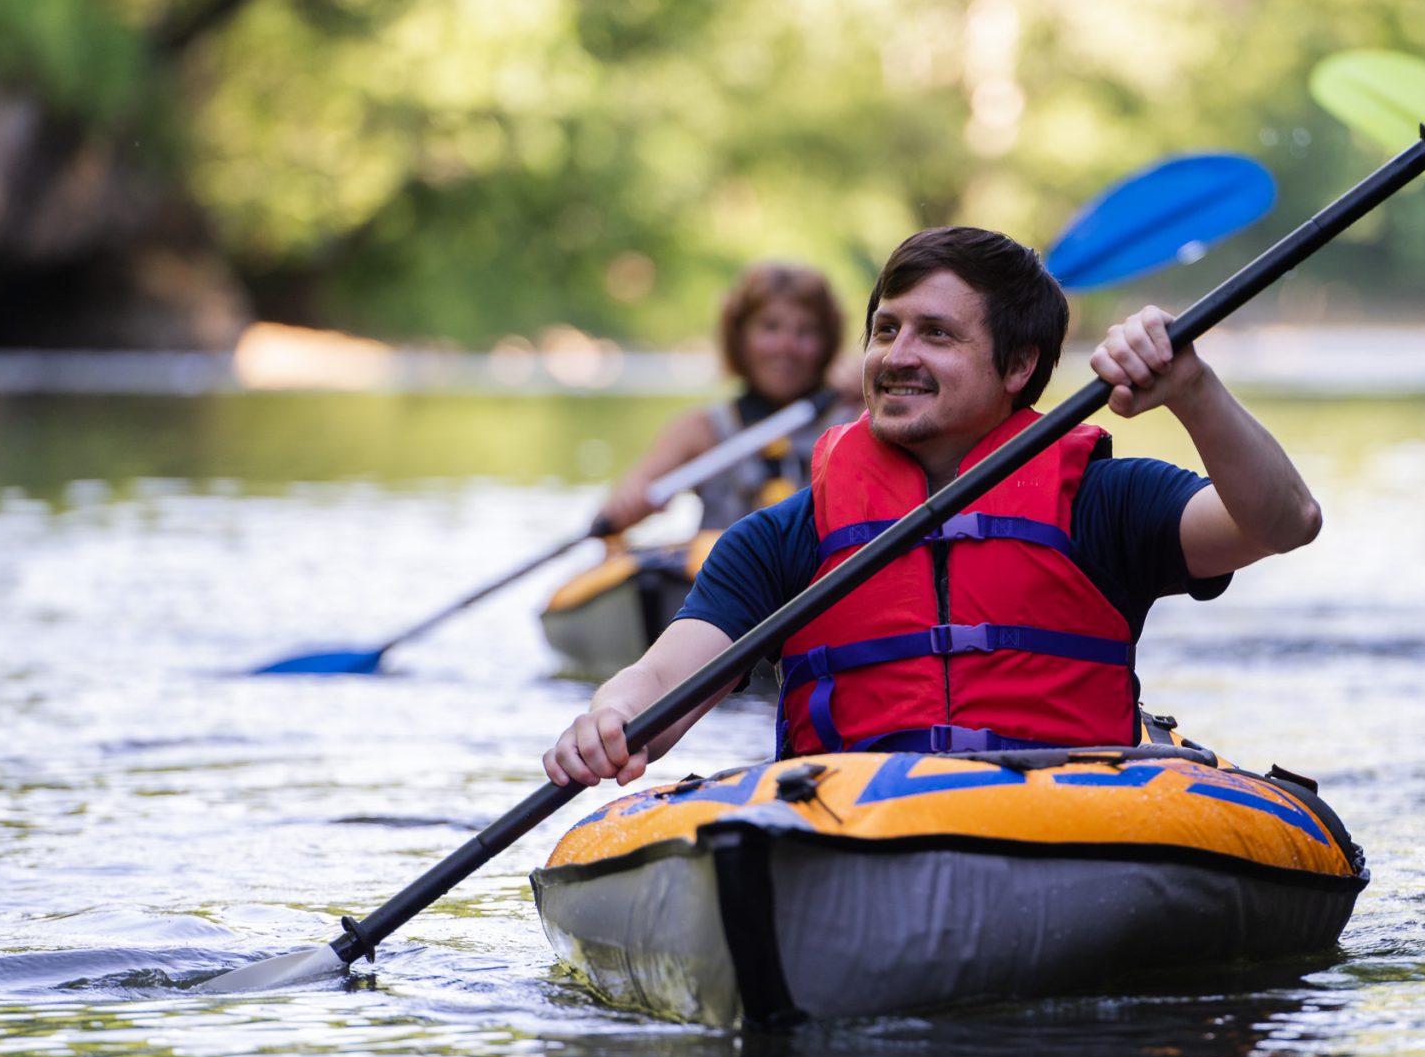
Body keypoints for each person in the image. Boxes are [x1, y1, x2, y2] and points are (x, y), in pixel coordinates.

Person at [544, 225, 1324, 787]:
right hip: (852, 827)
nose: (897, 355)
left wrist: (1191, 390)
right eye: (886, 330)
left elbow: (1285, 521)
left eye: (936, 334)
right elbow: (661, 683)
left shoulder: (1102, 501)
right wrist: (609, 718)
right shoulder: (785, 535)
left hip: (1067, 822)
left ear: (1019, 365)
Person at [598, 261, 853, 534]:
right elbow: (612, 510)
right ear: (740, 338)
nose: (786, 346)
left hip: (824, 573)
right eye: (770, 327)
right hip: (724, 574)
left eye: (805, 331)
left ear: (827, 343)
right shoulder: (701, 429)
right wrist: (629, 501)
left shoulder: (855, 419)